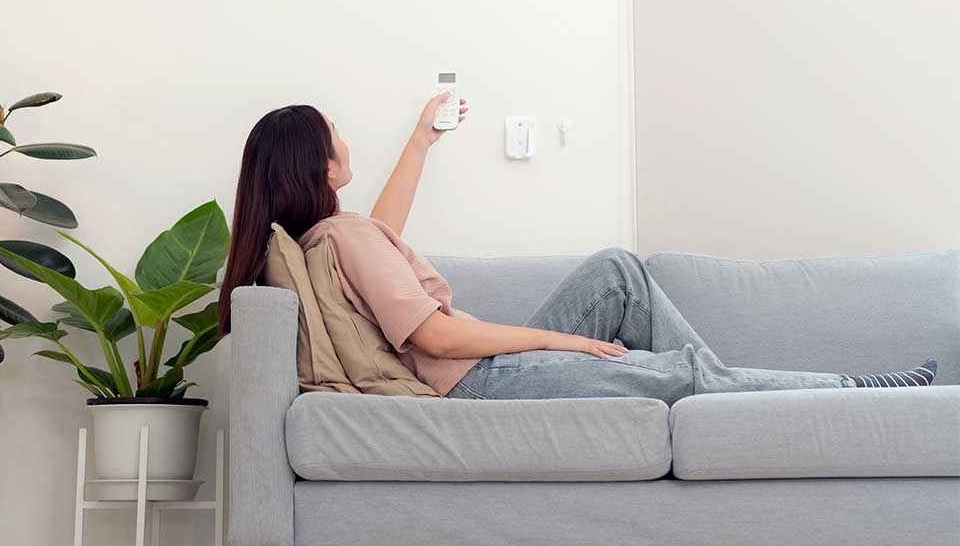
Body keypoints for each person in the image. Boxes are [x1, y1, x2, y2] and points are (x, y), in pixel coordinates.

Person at [218, 96, 937, 403]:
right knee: (668, 372)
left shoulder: (330, 238)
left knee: (619, 274)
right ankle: (841, 391)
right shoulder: (343, 236)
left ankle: (729, 389)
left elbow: (382, 235)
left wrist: (420, 140)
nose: (346, 139)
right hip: (476, 383)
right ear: (319, 165)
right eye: (335, 131)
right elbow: (434, 333)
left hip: (474, 372)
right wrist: (556, 340)